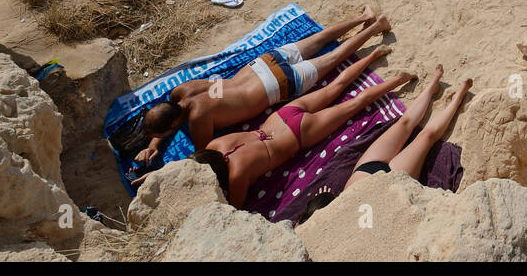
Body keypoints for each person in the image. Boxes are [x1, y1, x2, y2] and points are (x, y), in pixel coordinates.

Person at [136, 10, 391, 162]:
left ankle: (378, 26)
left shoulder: (199, 119)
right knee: (319, 38)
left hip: (276, 86)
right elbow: (168, 118)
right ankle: (365, 16)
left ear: (173, 125)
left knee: (333, 58)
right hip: (262, 65)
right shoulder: (180, 92)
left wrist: (156, 149)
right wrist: (153, 145)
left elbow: (203, 157)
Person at [191, 52, 416, 208]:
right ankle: (373, 55)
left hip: (298, 134)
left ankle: (398, 80)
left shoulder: (236, 175)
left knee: (353, 105)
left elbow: (233, 207)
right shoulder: (214, 145)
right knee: (335, 87)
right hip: (279, 118)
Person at [340, 65, 472, 195]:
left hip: (363, 174)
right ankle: (458, 98)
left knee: (403, 123)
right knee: (426, 136)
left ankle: (432, 87)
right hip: (390, 187)